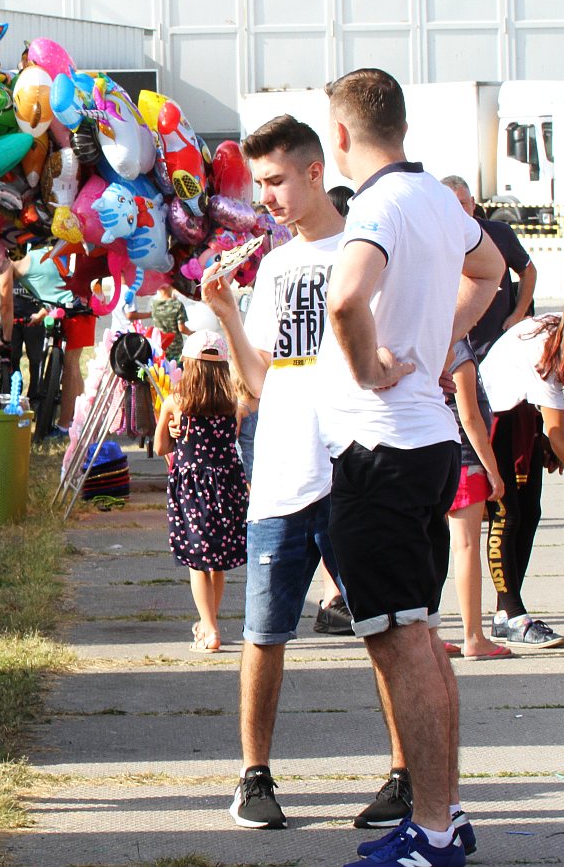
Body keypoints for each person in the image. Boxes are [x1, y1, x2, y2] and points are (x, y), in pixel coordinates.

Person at [316, 68, 504, 867]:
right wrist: (437, 344)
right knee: (420, 638)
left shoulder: (381, 204)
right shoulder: (437, 199)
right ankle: (443, 814)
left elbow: (345, 300)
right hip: (420, 444)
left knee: (400, 640)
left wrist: (371, 366)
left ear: (343, 136)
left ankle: (432, 830)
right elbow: (492, 273)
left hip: (382, 448)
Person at [204, 114, 386, 830]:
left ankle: (404, 773)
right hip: (281, 472)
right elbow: (262, 380)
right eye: (259, 184)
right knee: (263, 631)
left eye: (276, 180)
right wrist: (225, 312)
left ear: (315, 171)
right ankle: (254, 776)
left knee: (387, 630)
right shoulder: (275, 265)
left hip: (355, 470)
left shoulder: (368, 249)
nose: (266, 198)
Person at [477, 281, 564, 647]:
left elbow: (548, 428)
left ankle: (505, 612)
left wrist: (540, 435)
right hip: (493, 412)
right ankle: (511, 614)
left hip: (520, 409)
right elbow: (558, 434)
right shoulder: (549, 349)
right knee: (507, 514)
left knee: (530, 512)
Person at [152, 330, 249, 654]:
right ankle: (211, 623)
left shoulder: (176, 403)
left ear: (189, 365)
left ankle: (209, 628)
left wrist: (172, 429)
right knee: (216, 562)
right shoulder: (232, 404)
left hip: (192, 490)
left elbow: (160, 446)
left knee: (197, 563)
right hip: (227, 486)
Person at [442, 338, 510, 660]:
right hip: (464, 460)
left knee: (434, 548)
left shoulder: (428, 335)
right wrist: (493, 471)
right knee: (466, 547)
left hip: (434, 456)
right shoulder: (457, 348)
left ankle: (427, 633)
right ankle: (473, 636)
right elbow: (469, 417)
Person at [0, 244, 96, 433]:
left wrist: (6, 340)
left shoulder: (6, 265)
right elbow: (53, 288)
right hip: (77, 305)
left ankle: (65, 425)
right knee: (72, 366)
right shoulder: (36, 255)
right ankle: (83, 417)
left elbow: (6, 305)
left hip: (76, 309)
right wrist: (41, 314)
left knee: (71, 366)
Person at [442, 175, 536, 360]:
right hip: (455, 351)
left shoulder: (499, 233)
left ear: (473, 203)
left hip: (498, 347)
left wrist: (518, 314)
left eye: (463, 204)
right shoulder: (431, 239)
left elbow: (529, 271)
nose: (458, 211)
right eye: (451, 206)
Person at [149, 282, 192, 362]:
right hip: (175, 348)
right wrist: (192, 333)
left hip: (160, 346)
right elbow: (182, 328)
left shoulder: (154, 304)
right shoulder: (177, 304)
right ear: (170, 287)